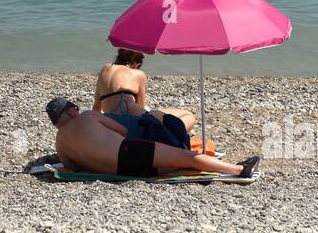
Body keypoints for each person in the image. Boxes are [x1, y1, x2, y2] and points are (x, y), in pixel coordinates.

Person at [45, 97, 258, 179]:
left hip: (121, 172)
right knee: (186, 157)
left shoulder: (60, 143)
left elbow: (72, 166)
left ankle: (222, 169)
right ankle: (239, 170)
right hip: (129, 152)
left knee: (176, 164)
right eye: (74, 106)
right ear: (70, 110)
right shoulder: (88, 116)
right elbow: (123, 131)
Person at [95, 48, 197, 136]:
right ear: (137, 64)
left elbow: (96, 108)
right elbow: (141, 108)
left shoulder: (105, 69)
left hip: (112, 124)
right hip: (135, 126)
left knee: (162, 112)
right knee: (189, 116)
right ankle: (170, 133)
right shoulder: (138, 74)